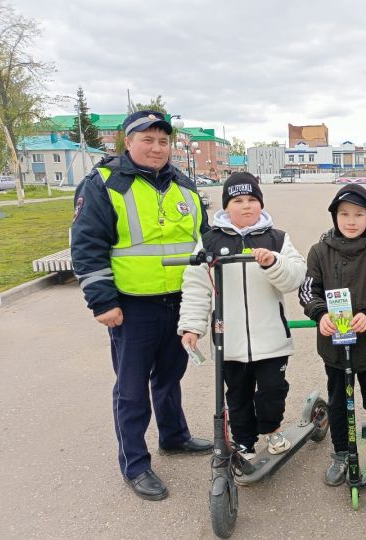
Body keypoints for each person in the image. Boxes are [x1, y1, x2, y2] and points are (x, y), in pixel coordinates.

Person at [71, 110, 213, 501]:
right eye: (147, 139)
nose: (156, 147)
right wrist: (102, 301)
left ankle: (174, 436)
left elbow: (204, 241)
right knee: (132, 390)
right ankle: (135, 464)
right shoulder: (104, 183)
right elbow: (86, 246)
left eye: (162, 141)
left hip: (180, 302)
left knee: (170, 377)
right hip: (132, 308)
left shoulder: (184, 184)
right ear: (127, 142)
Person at [178, 172, 306, 458]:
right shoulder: (209, 242)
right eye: (238, 200)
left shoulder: (278, 239)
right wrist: (191, 326)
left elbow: (294, 276)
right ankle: (244, 441)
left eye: (252, 200)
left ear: (261, 203)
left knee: (272, 391)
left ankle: (272, 430)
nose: (246, 206)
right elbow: (197, 288)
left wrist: (273, 262)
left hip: (271, 339)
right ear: (226, 207)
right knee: (237, 396)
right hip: (230, 341)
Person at [299, 184, 366, 493]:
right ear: (335, 216)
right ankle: (342, 454)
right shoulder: (320, 251)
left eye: (359, 214)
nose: (352, 220)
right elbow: (308, 291)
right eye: (344, 214)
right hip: (334, 348)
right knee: (339, 403)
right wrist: (320, 314)